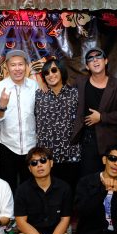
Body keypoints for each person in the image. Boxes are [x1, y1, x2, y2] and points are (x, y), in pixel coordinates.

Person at [70, 48, 117, 177]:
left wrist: (101, 117)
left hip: (110, 141)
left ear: (106, 61)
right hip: (87, 141)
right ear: (87, 66)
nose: (95, 60)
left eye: (98, 56)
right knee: (88, 179)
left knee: (110, 179)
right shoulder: (80, 82)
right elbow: (64, 95)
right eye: (90, 59)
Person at [0, 49, 38, 191]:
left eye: (20, 64)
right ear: (7, 67)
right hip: (8, 145)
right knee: (8, 187)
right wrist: (2, 106)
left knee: (29, 187)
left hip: (31, 145)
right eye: (13, 65)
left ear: (26, 66)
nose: (17, 68)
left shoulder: (34, 86)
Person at [35, 59, 81, 191]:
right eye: (46, 73)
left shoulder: (75, 94)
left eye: (54, 70)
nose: (51, 75)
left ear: (62, 71)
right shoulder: (38, 95)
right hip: (46, 158)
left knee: (69, 192)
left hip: (70, 154)